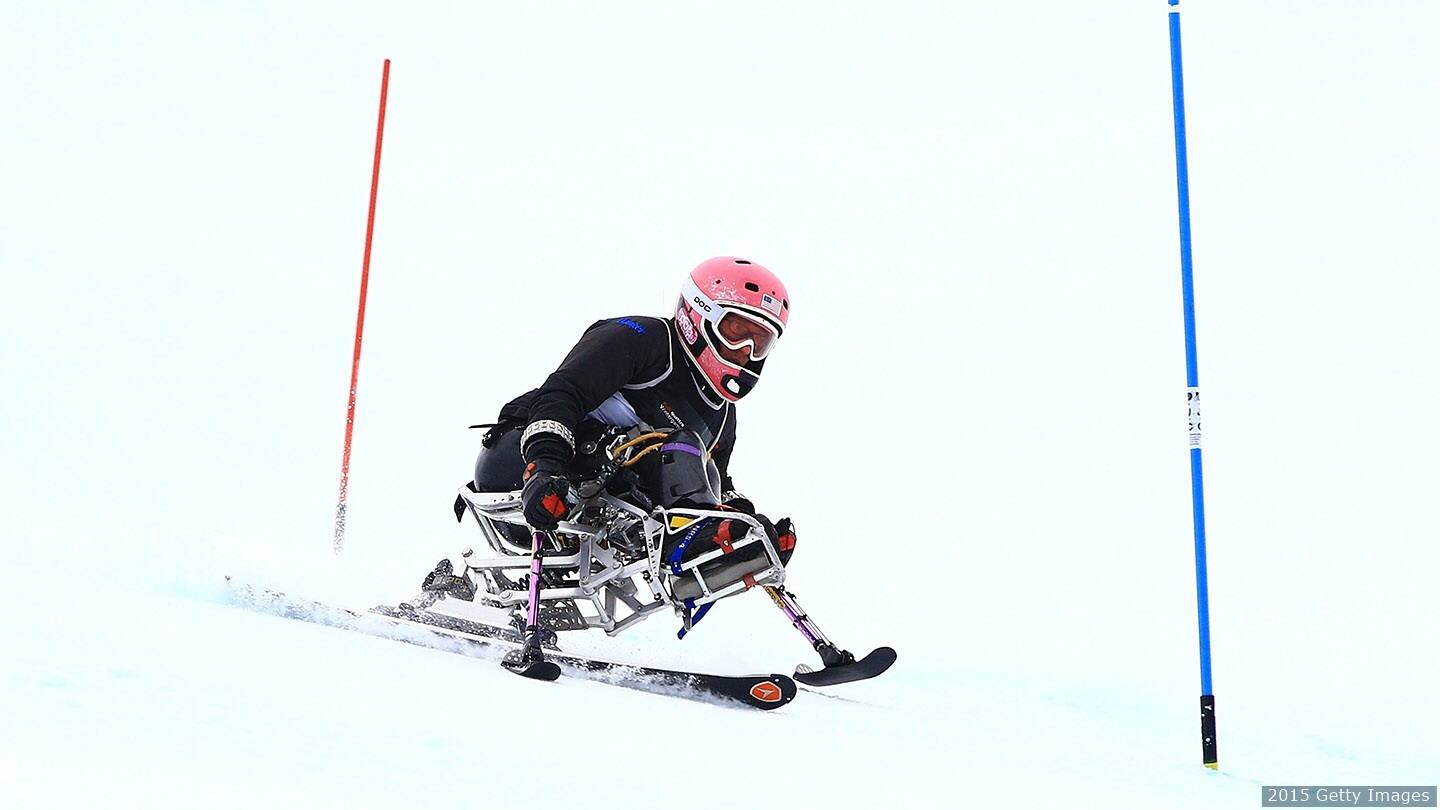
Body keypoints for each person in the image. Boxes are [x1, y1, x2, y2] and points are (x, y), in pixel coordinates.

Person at [472, 256, 795, 561]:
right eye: (737, 332)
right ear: (699, 315)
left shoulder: (722, 416)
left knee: (695, 459)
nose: (745, 353)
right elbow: (561, 393)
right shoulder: (645, 339)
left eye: (760, 341)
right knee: (680, 443)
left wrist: (747, 528)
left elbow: (715, 483)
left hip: (603, 511)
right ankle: (687, 532)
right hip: (526, 461)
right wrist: (544, 466)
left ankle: (698, 543)